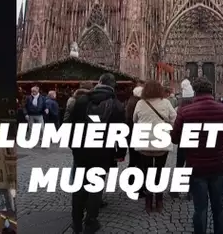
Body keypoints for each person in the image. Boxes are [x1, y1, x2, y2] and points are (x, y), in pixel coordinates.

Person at [171, 77, 223, 234]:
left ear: (195, 92)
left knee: (200, 208)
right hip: (218, 164)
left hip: (196, 166)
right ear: (212, 91)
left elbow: (174, 138)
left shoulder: (185, 111)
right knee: (219, 207)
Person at [69, 73, 126, 234]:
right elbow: (120, 133)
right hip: (103, 151)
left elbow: (70, 127)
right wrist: (120, 153)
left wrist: (74, 147)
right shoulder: (116, 105)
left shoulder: (82, 101)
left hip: (81, 149)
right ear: (113, 86)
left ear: (99, 83)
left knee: (79, 186)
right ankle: (90, 222)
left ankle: (76, 222)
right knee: (95, 187)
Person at [133, 80, 176, 212]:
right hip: (161, 144)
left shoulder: (140, 103)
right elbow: (174, 119)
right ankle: (159, 201)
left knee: (146, 172)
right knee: (159, 171)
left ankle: (148, 202)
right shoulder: (166, 102)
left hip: (145, 144)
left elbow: (134, 119)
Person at [170, 83, 194, 199]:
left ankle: (175, 190)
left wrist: (174, 138)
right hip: (194, 141)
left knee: (179, 164)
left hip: (182, 141)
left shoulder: (180, 110)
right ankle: (190, 191)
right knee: (191, 165)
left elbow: (177, 127)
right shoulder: (196, 108)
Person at [125, 84, 144, 197]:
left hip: (131, 136)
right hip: (137, 135)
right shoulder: (138, 103)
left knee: (133, 161)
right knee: (139, 162)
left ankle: (130, 183)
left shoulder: (130, 102)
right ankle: (138, 187)